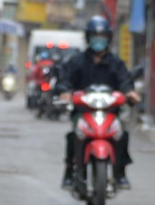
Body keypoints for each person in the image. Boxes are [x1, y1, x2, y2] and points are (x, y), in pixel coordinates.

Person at [60, 16, 141, 190]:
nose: (99, 40)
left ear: (108, 38)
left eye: (102, 36)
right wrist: (65, 92)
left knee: (122, 134)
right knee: (74, 135)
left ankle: (120, 172)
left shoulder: (116, 63)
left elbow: (125, 81)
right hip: (83, 111)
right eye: (95, 36)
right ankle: (69, 171)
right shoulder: (77, 61)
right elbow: (65, 80)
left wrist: (130, 92)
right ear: (88, 38)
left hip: (110, 111)